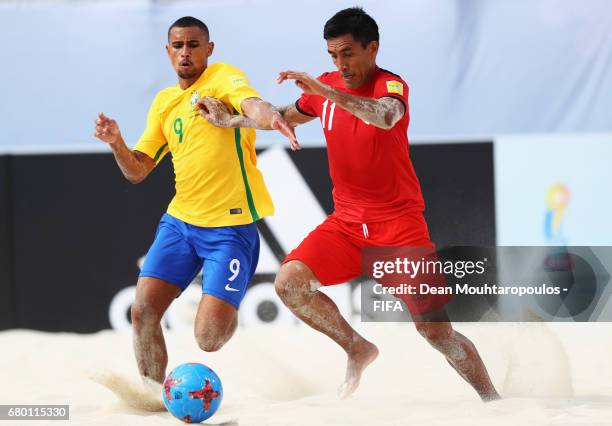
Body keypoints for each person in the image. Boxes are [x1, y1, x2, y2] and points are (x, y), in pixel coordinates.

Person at [199, 7, 500, 401]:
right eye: (332, 56)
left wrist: (325, 91)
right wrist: (232, 122)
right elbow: (284, 115)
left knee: (436, 332)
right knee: (290, 284)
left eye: (347, 54)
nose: (340, 64)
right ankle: (357, 347)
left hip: (398, 229)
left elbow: (386, 117)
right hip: (346, 225)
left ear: (372, 48)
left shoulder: (389, 86)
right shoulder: (324, 88)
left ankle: (493, 401)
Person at [94, 16, 298, 384]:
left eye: (193, 44)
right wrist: (117, 143)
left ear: (208, 49)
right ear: (168, 51)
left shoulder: (222, 77)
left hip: (230, 228)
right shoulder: (164, 101)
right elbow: (137, 171)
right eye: (178, 45)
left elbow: (252, 103)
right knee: (142, 312)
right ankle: (153, 396)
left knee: (208, 339)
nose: (185, 52)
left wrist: (272, 118)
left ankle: (223, 302)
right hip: (181, 223)